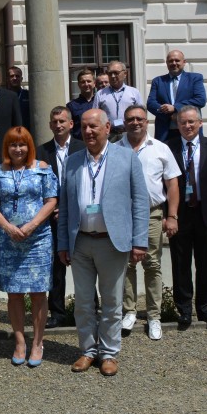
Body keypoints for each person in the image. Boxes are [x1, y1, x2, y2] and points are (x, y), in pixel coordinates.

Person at [57, 109, 149, 377]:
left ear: (107, 128)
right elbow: (65, 206)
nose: (88, 132)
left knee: (112, 301)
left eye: (94, 126)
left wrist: (139, 241)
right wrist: (63, 243)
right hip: (81, 242)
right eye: (84, 127)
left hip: (112, 242)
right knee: (84, 302)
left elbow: (140, 202)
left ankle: (108, 353)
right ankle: (88, 350)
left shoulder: (127, 158)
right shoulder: (72, 162)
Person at [0, 127, 57, 367]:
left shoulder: (42, 168)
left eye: (22, 144)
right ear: (6, 147)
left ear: (30, 146)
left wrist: (32, 225)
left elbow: (51, 200)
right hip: (8, 241)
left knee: (38, 293)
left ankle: (37, 343)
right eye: (13, 145)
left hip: (37, 240)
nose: (18, 149)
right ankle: (19, 341)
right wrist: (8, 227)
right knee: (14, 293)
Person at [117, 104, 181, 340]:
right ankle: (129, 311)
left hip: (152, 213)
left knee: (152, 264)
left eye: (139, 119)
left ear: (146, 122)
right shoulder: (115, 149)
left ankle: (154, 316)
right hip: (124, 215)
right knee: (126, 264)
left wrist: (171, 216)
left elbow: (172, 184)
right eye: (130, 119)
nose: (135, 123)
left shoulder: (160, 149)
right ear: (125, 123)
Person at [166, 106, 207, 331]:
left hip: (206, 214)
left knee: (204, 264)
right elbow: (165, 184)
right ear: (178, 125)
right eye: (183, 122)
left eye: (192, 122)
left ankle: (203, 307)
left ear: (200, 123)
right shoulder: (169, 147)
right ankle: (184, 309)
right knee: (180, 264)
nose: (188, 126)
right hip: (180, 213)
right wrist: (168, 215)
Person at [36, 107, 86, 329]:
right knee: (56, 266)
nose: (58, 125)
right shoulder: (42, 151)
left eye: (62, 121)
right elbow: (39, 185)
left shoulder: (82, 148)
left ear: (71, 124)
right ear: (50, 125)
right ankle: (57, 312)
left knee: (85, 264)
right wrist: (55, 207)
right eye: (54, 121)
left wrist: (69, 208)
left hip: (80, 215)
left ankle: (88, 308)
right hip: (53, 217)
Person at [147, 49, 207, 142]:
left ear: (184, 62)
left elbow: (200, 100)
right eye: (171, 61)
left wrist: (175, 108)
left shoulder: (195, 78)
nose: (174, 63)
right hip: (166, 132)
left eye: (177, 60)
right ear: (167, 63)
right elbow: (151, 104)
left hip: (189, 130)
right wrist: (170, 115)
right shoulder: (158, 81)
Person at [95, 61, 143, 142]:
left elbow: (141, 115)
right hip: (108, 134)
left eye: (116, 73)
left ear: (125, 74)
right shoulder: (100, 94)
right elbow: (96, 117)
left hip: (128, 133)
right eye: (110, 73)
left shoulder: (134, 92)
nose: (113, 76)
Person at [66, 68, 96, 140]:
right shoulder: (71, 106)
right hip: (80, 143)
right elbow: (68, 128)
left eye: (89, 81)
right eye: (83, 82)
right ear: (79, 85)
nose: (86, 84)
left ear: (94, 83)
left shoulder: (100, 102)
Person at [7, 65, 31, 132]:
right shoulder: (2, 96)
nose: (15, 78)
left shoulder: (28, 95)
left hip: (26, 132)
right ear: (7, 79)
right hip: (9, 132)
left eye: (17, 76)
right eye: (12, 76)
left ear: (21, 79)